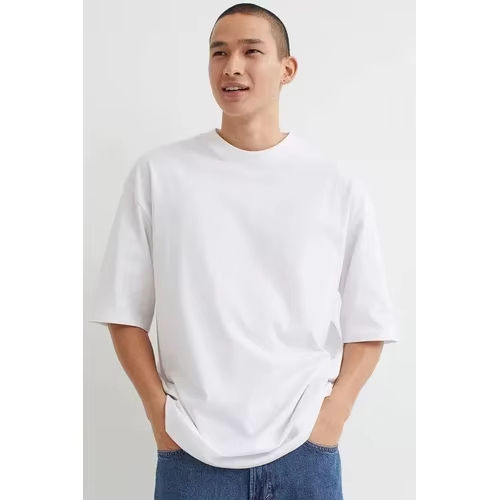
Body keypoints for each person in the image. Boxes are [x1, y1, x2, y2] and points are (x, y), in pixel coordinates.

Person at [88, 3, 399, 499]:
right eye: (219, 53)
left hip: (304, 453)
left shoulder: (334, 185)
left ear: (287, 69)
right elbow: (123, 312)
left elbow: (369, 324)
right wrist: (159, 414)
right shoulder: (160, 175)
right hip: (192, 453)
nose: (231, 66)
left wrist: (332, 418)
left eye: (251, 51)